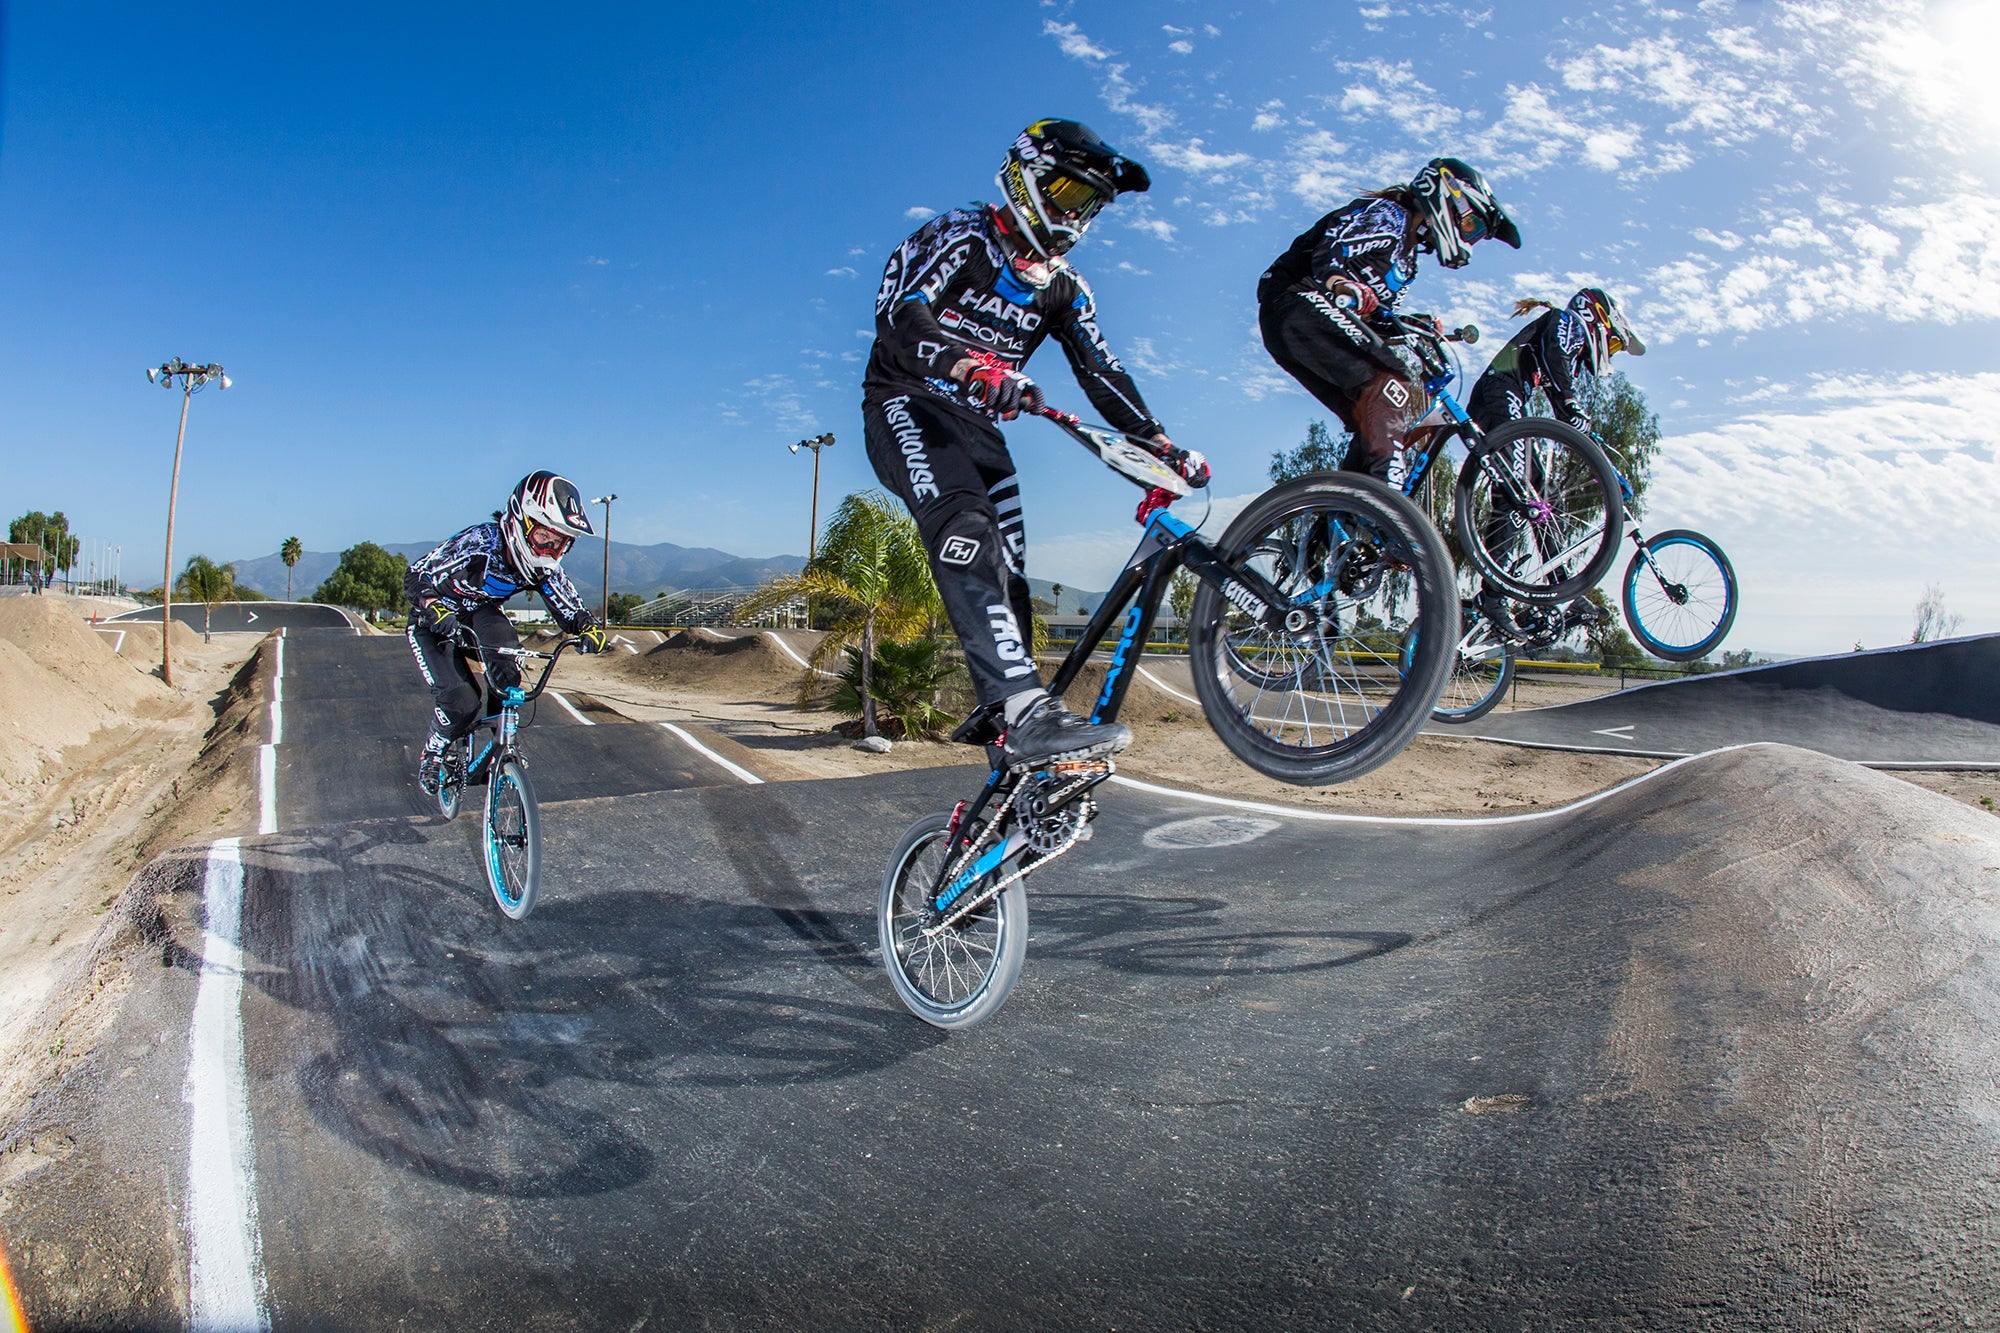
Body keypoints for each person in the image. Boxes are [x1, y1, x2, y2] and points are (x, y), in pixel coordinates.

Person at [861, 118, 1208, 766]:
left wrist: (1159, 444)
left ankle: (1011, 743)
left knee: (1012, 577)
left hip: (982, 428)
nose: (1074, 214)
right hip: (907, 404)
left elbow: (1102, 371)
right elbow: (899, 315)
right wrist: (971, 365)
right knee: (969, 529)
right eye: (1066, 192)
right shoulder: (960, 236)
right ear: (1024, 177)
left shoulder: (1065, 287)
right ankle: (1024, 712)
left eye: (1089, 204)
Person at [1257, 157, 1520, 486]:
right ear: (1449, 198)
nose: (1469, 239)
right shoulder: (1387, 215)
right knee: (1390, 382)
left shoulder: (1407, 265)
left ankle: (1340, 522)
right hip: (1294, 300)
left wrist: (1417, 327)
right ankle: (1388, 503)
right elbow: (1331, 249)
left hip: (1307, 324)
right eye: (1472, 227)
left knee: (1373, 415)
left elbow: (1374, 321)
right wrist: (1341, 282)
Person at [406, 471, 608, 792]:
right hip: (434, 624)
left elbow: (567, 605)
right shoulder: (482, 543)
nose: (550, 551)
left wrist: (588, 628)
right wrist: (433, 606)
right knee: (461, 703)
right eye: (544, 537)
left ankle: (501, 744)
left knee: (508, 669)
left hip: (479, 615)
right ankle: (433, 752)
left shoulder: (543, 567)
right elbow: (417, 574)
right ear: (520, 521)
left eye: (561, 543)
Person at [1465, 287, 1646, 435]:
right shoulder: (1565, 321)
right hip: (1502, 386)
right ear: (1598, 318)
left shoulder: (1562, 359)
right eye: (1612, 344)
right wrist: (1570, 399)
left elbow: (1557, 394)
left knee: (1534, 475)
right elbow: (1556, 354)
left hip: (1503, 391)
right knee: (1518, 457)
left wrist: (1576, 425)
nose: (1610, 352)